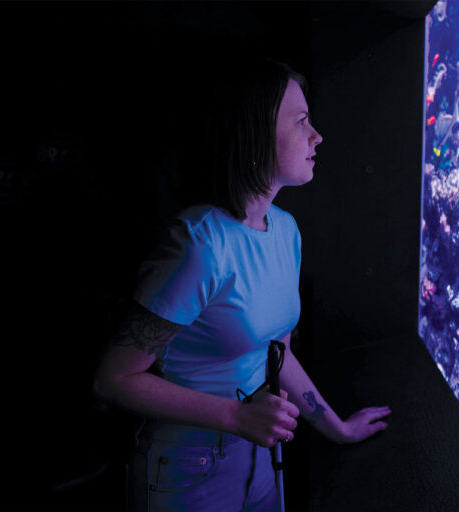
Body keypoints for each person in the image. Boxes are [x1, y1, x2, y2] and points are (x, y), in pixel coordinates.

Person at [93, 57, 392, 512]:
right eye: (302, 121)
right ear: (254, 134)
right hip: (186, 471)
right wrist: (237, 416)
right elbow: (114, 379)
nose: (318, 136)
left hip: (259, 456)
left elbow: (278, 353)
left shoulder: (286, 231)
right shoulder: (199, 244)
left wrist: (338, 428)